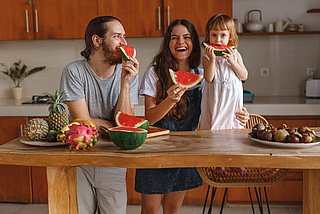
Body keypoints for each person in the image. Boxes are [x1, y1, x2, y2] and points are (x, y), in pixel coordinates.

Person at [59, 16, 139, 214]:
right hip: (80, 160)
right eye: (117, 36)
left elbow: (126, 123)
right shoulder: (74, 71)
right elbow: (82, 123)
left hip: (113, 160)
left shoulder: (128, 73)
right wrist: (113, 124)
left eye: (125, 37)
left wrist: (125, 85)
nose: (125, 43)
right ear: (97, 41)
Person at [134, 19, 203, 214]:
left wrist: (239, 113)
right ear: (168, 43)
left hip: (184, 149)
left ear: (194, 42)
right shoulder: (154, 72)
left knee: (173, 209)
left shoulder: (201, 74)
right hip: (154, 149)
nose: (180, 42)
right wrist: (170, 100)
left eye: (186, 37)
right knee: (150, 209)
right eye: (174, 38)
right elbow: (149, 118)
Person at [199, 14, 249, 174]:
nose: (218, 40)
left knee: (234, 131)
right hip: (216, 103)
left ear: (231, 37)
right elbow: (209, 77)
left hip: (232, 104)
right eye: (214, 35)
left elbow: (244, 75)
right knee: (217, 129)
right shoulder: (206, 57)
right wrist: (212, 59)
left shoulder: (236, 55)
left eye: (223, 35)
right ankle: (219, 164)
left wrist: (232, 61)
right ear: (209, 36)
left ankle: (236, 161)